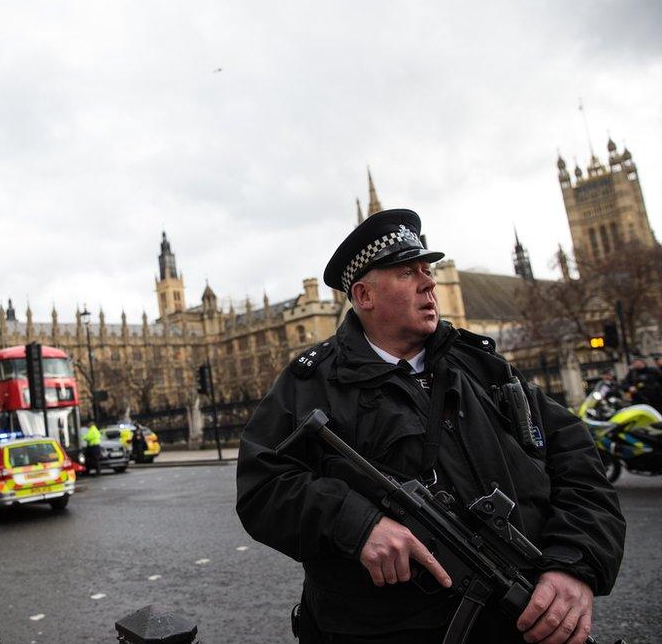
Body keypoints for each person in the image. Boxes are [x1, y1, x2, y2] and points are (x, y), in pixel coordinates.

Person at [236, 209, 625, 644]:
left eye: (428, 269)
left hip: (519, 618)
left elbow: (575, 458)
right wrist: (357, 523)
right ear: (364, 296)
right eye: (407, 272)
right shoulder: (311, 382)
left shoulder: (483, 366)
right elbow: (262, 488)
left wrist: (574, 563)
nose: (429, 282)